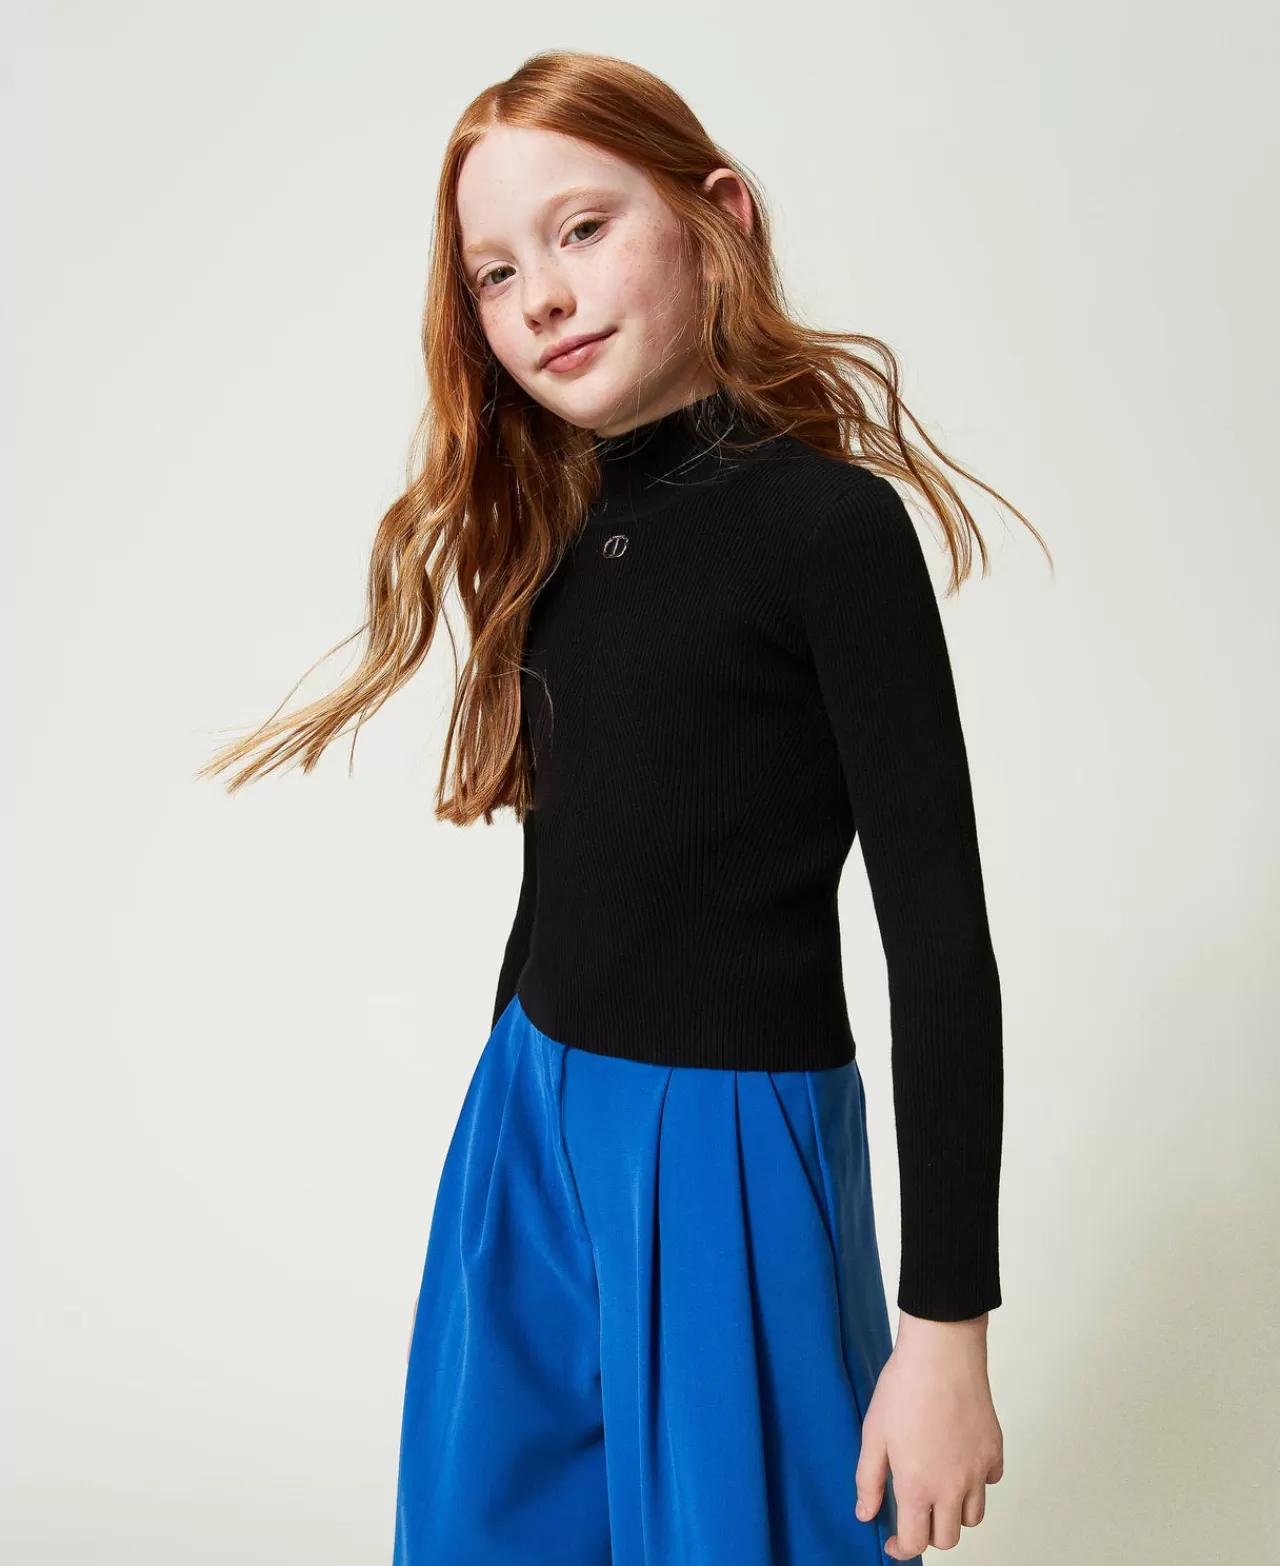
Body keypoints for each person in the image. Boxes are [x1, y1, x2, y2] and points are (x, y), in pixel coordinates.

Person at [202, 47, 1052, 1566]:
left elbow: (940, 940)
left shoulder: (831, 530)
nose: (541, 295)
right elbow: (565, 870)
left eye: (584, 229)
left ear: (717, 215)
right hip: (527, 1127)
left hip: (727, 1152)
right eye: (495, 271)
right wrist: (502, 1142)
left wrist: (947, 1332)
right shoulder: (564, 537)